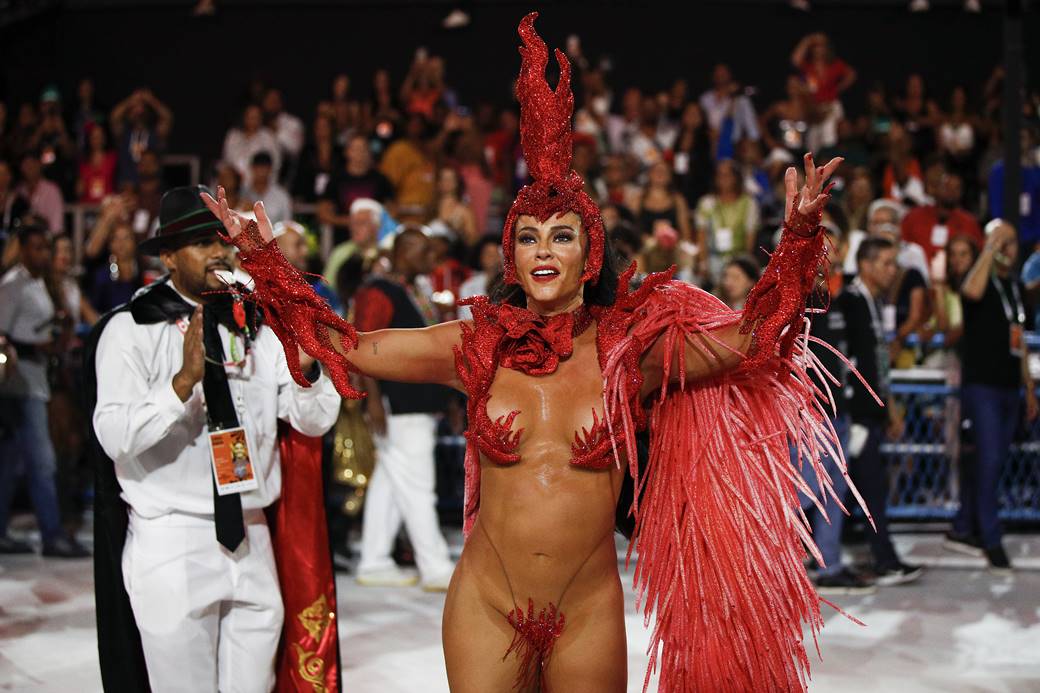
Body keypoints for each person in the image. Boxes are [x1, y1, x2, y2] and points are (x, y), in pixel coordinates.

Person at [204, 14, 862, 691]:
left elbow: (753, 339)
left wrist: (799, 235)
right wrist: (264, 260)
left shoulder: (628, 352)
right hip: (487, 607)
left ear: (589, 254)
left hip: (587, 611)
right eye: (529, 236)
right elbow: (351, 344)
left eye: (562, 235)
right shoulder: (474, 346)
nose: (544, 247)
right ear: (511, 256)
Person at [89, 186, 341, 691]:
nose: (219, 254)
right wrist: (180, 386)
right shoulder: (130, 328)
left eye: (223, 242)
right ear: (167, 257)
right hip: (171, 537)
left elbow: (312, 421)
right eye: (201, 244)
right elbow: (113, 436)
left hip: (251, 534)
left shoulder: (259, 324)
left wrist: (308, 368)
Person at [350, 227, 455, 590]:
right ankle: (436, 566)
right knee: (418, 486)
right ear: (405, 251)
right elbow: (360, 346)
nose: (431, 259)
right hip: (400, 404)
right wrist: (374, 403)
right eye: (425, 251)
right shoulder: (378, 291)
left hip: (414, 401)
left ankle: (375, 560)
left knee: (391, 484)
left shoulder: (411, 289)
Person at [949, 219, 1038, 573]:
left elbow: (1020, 342)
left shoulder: (1014, 288)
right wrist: (988, 246)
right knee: (989, 460)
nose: (1008, 247)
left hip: (1008, 386)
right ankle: (991, 537)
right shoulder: (979, 280)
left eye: (1012, 242)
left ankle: (963, 525)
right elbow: (969, 292)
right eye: (1003, 241)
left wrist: (1028, 387)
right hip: (982, 386)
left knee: (993, 461)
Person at [0, 223, 89, 557]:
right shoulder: (12, 285)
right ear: (22, 249)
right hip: (18, 382)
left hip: (37, 379)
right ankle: (52, 535)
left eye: (45, 247)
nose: (42, 254)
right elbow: (2, 335)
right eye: (35, 247)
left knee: (9, 463)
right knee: (42, 461)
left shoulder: (42, 282)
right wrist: (39, 346)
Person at [838, 237, 922, 586]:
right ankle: (883, 559)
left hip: (869, 412)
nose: (892, 270)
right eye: (886, 263)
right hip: (855, 414)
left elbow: (878, 363)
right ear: (867, 265)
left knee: (862, 489)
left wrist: (889, 409)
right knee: (866, 489)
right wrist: (854, 414)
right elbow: (844, 364)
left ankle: (874, 556)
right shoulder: (850, 301)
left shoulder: (871, 302)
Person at [695, 158, 761, 281]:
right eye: (719, 174)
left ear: (736, 177)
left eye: (727, 174)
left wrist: (744, 265)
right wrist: (703, 263)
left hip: (738, 256)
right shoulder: (707, 203)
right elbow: (701, 237)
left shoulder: (749, 203)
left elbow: (750, 238)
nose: (723, 178)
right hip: (713, 257)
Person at [317, 133, 394, 237]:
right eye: (355, 149)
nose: (360, 153)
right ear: (347, 152)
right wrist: (351, 222)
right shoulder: (336, 179)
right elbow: (323, 212)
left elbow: (393, 210)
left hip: (374, 239)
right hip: (343, 239)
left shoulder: (381, 180)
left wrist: (373, 223)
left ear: (369, 152)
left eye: (363, 149)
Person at [901, 171, 983, 261]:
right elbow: (902, 248)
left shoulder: (969, 223)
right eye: (947, 187)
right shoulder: (913, 218)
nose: (951, 192)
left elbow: (978, 256)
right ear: (935, 188)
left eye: (956, 188)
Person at [110, 88, 173, 187]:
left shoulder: (154, 133)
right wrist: (131, 101)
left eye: (142, 107)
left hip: (151, 189)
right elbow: (114, 117)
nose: (139, 111)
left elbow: (167, 118)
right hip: (127, 187)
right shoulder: (125, 134)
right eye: (134, 108)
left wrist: (151, 100)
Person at [221, 104, 281, 189]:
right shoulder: (233, 135)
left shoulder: (268, 137)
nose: (253, 120)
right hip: (234, 187)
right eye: (250, 117)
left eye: (256, 117)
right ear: (244, 117)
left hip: (258, 187)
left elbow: (275, 165)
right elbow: (226, 161)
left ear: (261, 118)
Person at [633, 161, 692, 241]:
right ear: (649, 174)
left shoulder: (678, 200)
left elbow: (686, 233)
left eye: (664, 172)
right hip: (643, 249)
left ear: (670, 177)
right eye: (657, 171)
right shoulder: (638, 199)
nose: (660, 174)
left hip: (673, 249)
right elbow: (632, 228)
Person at [17, 149, 64, 234]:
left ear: (39, 165)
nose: (29, 168)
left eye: (32, 164)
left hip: (46, 240)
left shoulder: (52, 191)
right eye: (26, 165)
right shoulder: (18, 191)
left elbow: (57, 226)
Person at [457, 233, 502, 321]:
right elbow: (467, 318)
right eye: (488, 253)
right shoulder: (468, 286)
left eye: (495, 253)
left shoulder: (510, 285)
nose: (492, 257)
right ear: (480, 258)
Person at [242, 150, 292, 225]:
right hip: (246, 235)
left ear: (270, 169)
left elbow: (287, 224)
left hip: (275, 235)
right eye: (258, 167)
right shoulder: (241, 192)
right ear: (252, 168)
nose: (261, 171)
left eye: (264, 167)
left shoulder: (282, 196)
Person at [78, 124, 117, 204]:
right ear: (89, 139)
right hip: (87, 207)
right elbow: (79, 189)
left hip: (107, 206)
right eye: (94, 137)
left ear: (104, 139)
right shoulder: (83, 162)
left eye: (100, 137)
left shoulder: (112, 158)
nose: (97, 140)